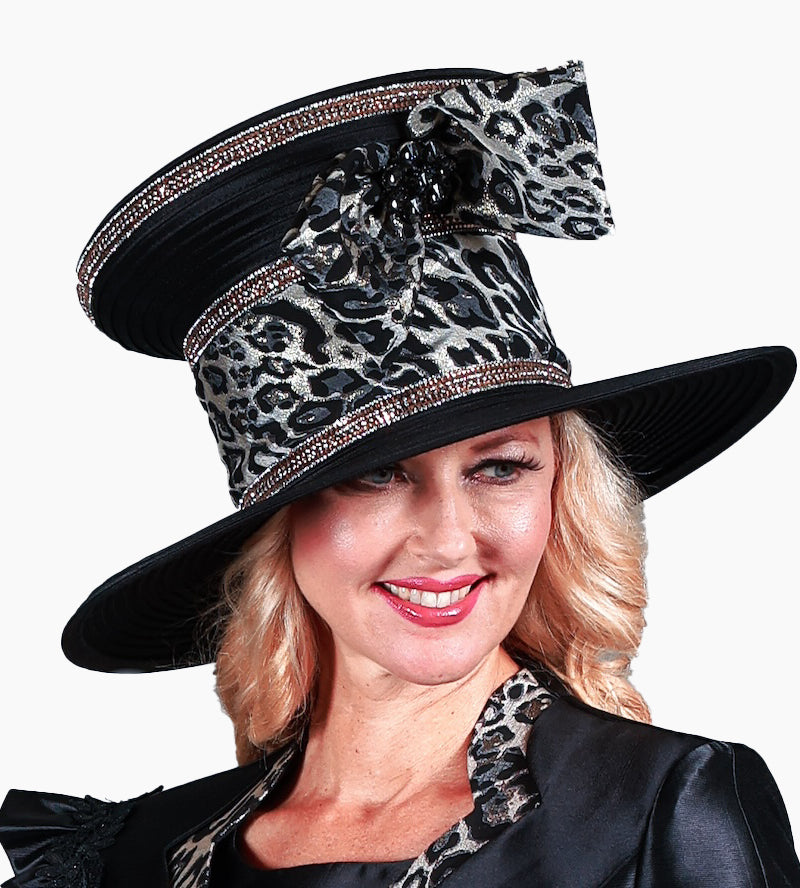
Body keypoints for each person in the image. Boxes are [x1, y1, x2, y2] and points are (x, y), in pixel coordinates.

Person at [1, 62, 798, 887]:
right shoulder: (133, 858)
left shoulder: (660, 814)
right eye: (377, 477)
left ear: (563, 492)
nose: (449, 540)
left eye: (500, 468)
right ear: (280, 524)